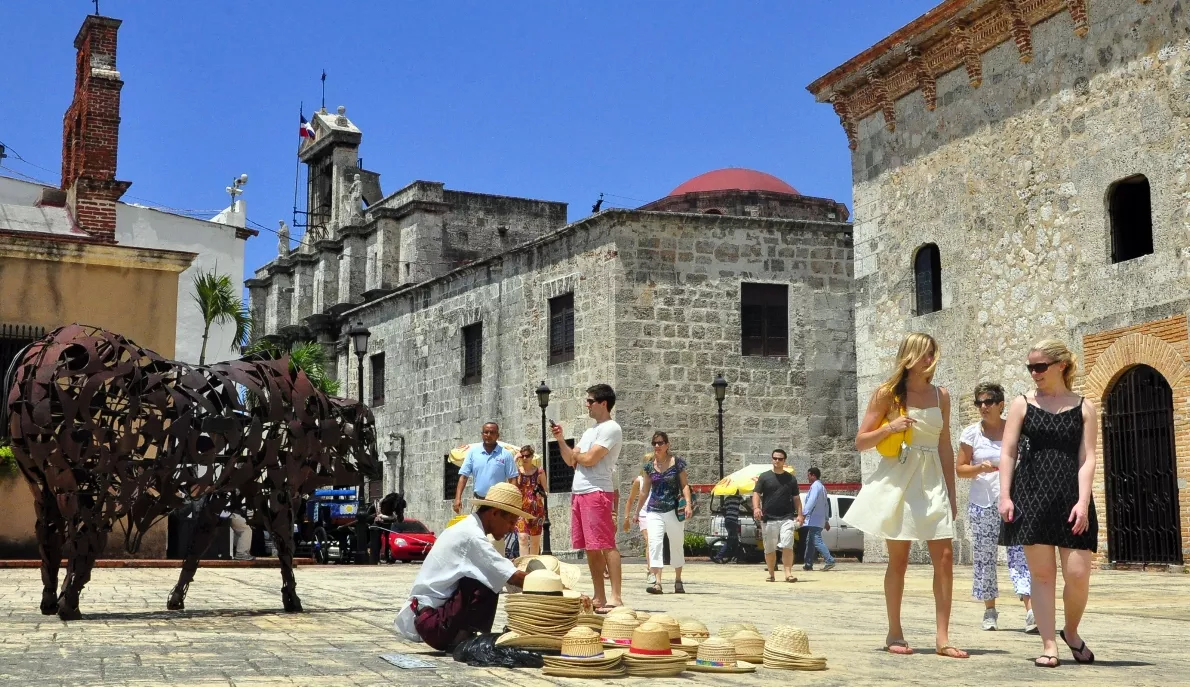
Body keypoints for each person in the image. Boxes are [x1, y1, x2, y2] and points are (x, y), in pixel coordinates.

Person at [847, 332, 966, 659]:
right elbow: (861, 441)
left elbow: (945, 445)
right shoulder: (887, 394)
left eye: (932, 353)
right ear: (909, 356)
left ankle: (943, 637)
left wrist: (952, 495)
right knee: (898, 560)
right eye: (924, 354)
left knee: (944, 559)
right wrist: (890, 427)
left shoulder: (942, 396)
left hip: (932, 481)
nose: (930, 359)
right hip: (900, 477)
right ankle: (894, 631)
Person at [999, 339, 1098, 668]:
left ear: (1061, 366)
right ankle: (1048, 645)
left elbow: (1088, 458)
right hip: (1032, 495)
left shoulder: (1084, 407)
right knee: (1041, 576)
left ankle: (1070, 632)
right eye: (1030, 367)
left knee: (1078, 574)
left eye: (1040, 367)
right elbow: (1008, 451)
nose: (1034, 373)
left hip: (1072, 499)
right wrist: (1005, 494)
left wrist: (1083, 502)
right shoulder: (1022, 404)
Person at [394, 482, 532, 651]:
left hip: (429, 616)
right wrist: (553, 586)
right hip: (432, 622)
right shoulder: (471, 536)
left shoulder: (468, 527)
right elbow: (512, 576)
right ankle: (462, 639)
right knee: (490, 578)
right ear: (494, 513)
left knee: (488, 573)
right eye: (511, 522)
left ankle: (465, 634)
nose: (512, 529)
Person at [956, 382, 1034, 632]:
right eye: (979, 402)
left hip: (1013, 499)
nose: (983, 407)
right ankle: (990, 610)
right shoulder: (971, 434)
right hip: (983, 502)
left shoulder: (1015, 431)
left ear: (1001, 405)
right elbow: (960, 469)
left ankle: (1031, 610)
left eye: (989, 401)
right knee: (984, 557)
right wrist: (979, 468)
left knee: (1020, 553)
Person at [551, 383, 623, 613]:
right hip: (580, 491)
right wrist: (562, 440)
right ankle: (599, 596)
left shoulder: (611, 428)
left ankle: (616, 597)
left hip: (597, 491)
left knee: (606, 544)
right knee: (591, 548)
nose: (587, 405)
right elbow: (571, 460)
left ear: (603, 403)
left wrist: (579, 455)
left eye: (590, 401)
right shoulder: (589, 431)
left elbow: (590, 458)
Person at [641, 431, 693, 594]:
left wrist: (688, 504)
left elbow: (684, 485)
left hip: (673, 509)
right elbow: (644, 491)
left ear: (667, 445)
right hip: (654, 510)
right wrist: (636, 513)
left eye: (660, 442)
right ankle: (658, 582)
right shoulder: (649, 467)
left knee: (676, 544)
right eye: (655, 443)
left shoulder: (677, 463)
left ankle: (678, 579)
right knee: (654, 544)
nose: (657, 446)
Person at [752, 449, 802, 583]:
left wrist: (800, 514)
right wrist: (756, 508)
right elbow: (756, 493)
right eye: (774, 458)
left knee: (787, 545)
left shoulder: (791, 479)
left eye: (780, 459)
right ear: (772, 459)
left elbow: (796, 498)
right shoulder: (764, 477)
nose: (777, 461)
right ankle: (771, 574)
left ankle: (788, 574)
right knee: (769, 548)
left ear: (784, 461)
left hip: (787, 517)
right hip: (769, 518)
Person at [453, 422, 517, 514]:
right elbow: (463, 477)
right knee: (478, 527)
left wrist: (511, 500)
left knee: (496, 528)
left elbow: (513, 480)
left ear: (497, 435)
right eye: (486, 432)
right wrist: (457, 498)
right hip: (478, 502)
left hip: (499, 503)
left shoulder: (506, 455)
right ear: (482, 435)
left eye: (492, 432)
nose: (488, 435)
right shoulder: (473, 453)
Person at [513, 445, 547, 556]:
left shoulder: (539, 472)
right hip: (521, 510)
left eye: (527, 456)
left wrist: (541, 494)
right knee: (522, 538)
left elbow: (546, 491)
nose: (524, 458)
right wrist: (514, 459)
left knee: (534, 542)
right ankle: (523, 566)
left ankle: (532, 566)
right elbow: (510, 483)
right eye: (522, 456)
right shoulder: (517, 472)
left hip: (537, 510)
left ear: (532, 456)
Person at [802, 467, 836, 571]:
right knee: (810, 541)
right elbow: (826, 505)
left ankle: (829, 560)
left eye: (808, 475)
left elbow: (811, 501)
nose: (807, 477)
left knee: (816, 540)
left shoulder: (815, 487)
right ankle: (808, 563)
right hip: (819, 520)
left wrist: (804, 514)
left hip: (814, 519)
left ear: (813, 475)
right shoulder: (822, 488)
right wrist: (826, 520)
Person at [622, 472, 652, 580]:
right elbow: (630, 500)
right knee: (649, 540)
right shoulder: (639, 480)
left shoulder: (660, 478)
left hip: (656, 514)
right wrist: (626, 518)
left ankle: (652, 569)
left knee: (654, 542)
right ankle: (650, 570)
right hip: (643, 514)